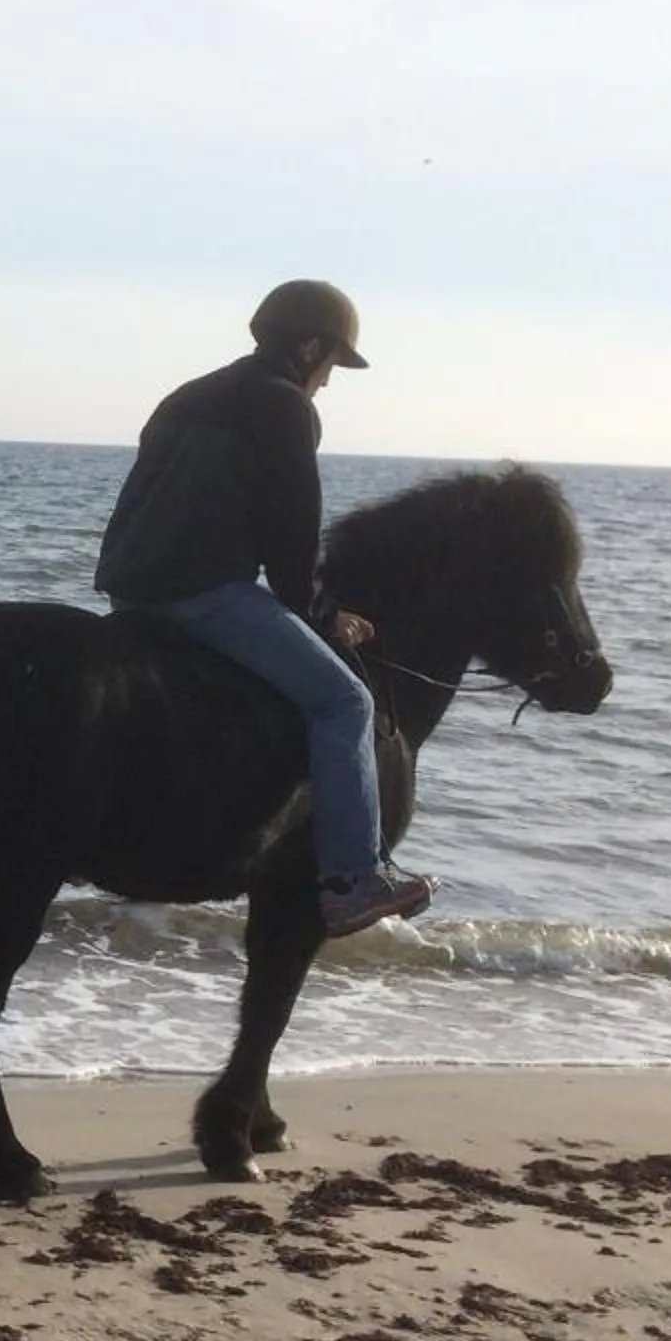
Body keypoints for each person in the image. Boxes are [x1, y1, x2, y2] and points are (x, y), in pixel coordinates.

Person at [93, 280, 434, 938]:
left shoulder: (184, 397)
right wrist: (325, 615)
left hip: (129, 592)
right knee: (345, 703)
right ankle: (351, 880)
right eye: (332, 364)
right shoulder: (284, 408)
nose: (328, 382)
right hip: (205, 596)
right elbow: (291, 539)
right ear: (309, 347)